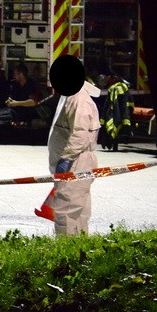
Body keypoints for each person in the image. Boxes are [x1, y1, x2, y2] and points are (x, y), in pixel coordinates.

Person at [41, 55, 101, 236]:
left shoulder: (79, 100)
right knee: (77, 210)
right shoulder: (71, 95)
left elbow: (80, 133)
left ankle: (67, 255)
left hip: (75, 162)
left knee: (66, 211)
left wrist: (66, 159)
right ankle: (78, 251)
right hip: (75, 162)